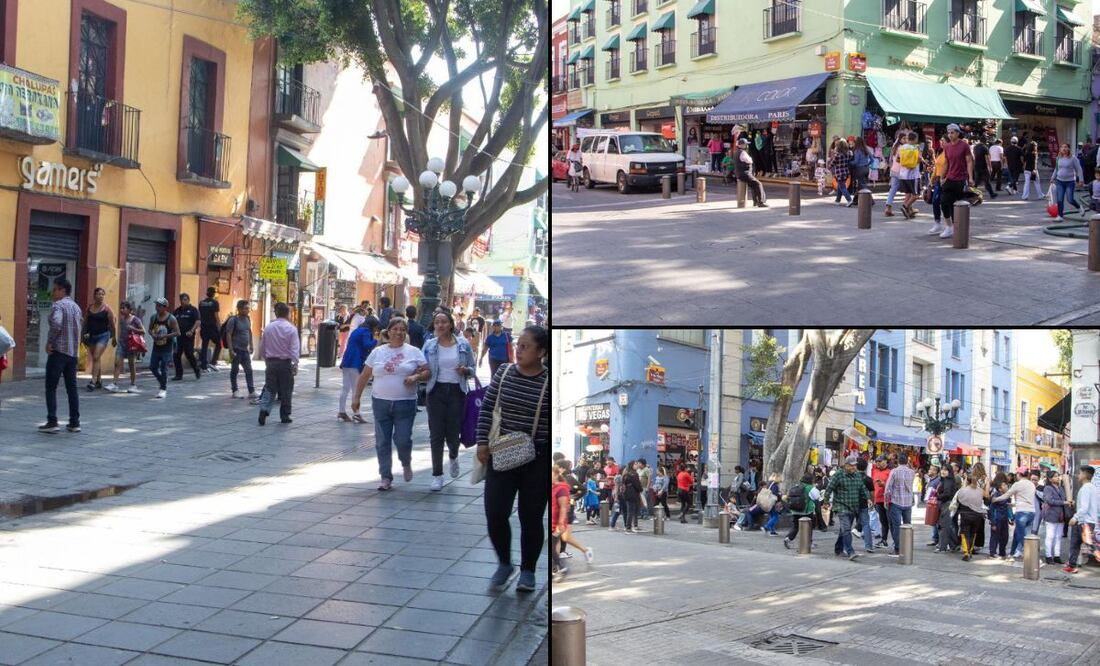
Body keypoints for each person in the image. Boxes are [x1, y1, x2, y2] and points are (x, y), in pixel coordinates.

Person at [474, 325, 549, 592]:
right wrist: (482, 442)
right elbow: (487, 409)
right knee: (495, 512)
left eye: (525, 347)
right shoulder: (504, 373)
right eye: (518, 345)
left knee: (531, 517)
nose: (518, 351)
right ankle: (504, 563)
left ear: (541, 352)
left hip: (536, 460)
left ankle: (528, 570)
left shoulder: (548, 382)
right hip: (502, 454)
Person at [353, 317, 430, 490]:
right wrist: (356, 398)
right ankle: (385, 476)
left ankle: (405, 462)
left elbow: (427, 371)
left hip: (405, 403)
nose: (399, 332)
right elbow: (365, 375)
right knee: (382, 441)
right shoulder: (378, 352)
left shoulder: (414, 351)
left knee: (403, 439)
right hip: (381, 401)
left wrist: (416, 377)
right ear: (388, 331)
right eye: (395, 329)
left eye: (402, 329)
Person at [422, 310, 476, 490]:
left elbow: (473, 369)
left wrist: (465, 370)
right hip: (435, 391)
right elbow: (421, 367)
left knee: (453, 433)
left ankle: (453, 455)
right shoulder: (429, 345)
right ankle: (437, 475)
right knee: (436, 434)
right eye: (437, 322)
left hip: (456, 392)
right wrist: (418, 375)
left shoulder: (463, 344)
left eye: (444, 322)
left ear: (451, 324)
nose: (440, 325)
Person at [39, 277, 83, 433]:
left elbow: (57, 323)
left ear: (62, 290)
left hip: (58, 352)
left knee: (51, 386)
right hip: (72, 353)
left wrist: (50, 341)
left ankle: (52, 421)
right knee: (72, 388)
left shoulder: (58, 306)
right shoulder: (76, 307)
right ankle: (74, 422)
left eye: (55, 289)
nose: (52, 293)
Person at [257, 303, 299, 425]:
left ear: (276, 313)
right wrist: (295, 364)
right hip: (285, 363)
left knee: (270, 388)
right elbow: (294, 349)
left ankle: (264, 409)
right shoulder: (291, 329)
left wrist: (266, 360)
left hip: (271, 362)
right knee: (287, 389)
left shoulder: (269, 327)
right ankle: (285, 415)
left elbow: (262, 346)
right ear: (288, 314)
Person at [822, 454, 870, 561]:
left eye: (855, 466)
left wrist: (868, 498)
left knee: (843, 530)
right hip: (841, 506)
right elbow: (829, 489)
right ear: (846, 465)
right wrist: (826, 502)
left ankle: (838, 549)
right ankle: (850, 552)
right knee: (847, 529)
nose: (854, 467)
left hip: (853, 507)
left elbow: (862, 488)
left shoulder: (857, 475)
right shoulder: (838, 475)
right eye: (851, 466)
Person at [552, 464, 593, 577]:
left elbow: (582, 490)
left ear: (563, 468)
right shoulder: (555, 482)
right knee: (560, 538)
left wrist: (572, 498)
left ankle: (584, 551)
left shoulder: (568, 478)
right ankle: (557, 564)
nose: (556, 471)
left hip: (565, 513)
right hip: (556, 514)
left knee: (564, 537)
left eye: (558, 468)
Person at [937, 124, 975, 239]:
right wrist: (942, 177)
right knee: (943, 202)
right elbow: (946, 163)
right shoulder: (947, 147)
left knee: (957, 205)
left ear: (958, 133)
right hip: (949, 178)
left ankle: (957, 228)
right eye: (948, 132)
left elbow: (969, 161)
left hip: (961, 179)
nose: (950, 134)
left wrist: (971, 177)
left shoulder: (964, 146)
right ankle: (949, 227)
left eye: (952, 132)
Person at [337, 316, 378, 423]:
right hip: (356, 361)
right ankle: (356, 414)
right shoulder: (366, 332)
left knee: (345, 388)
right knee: (356, 388)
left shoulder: (357, 330)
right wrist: (376, 340)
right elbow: (367, 345)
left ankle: (341, 412)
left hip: (347, 360)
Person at [991, 471, 1037, 561]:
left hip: (1022, 513)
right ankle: (1013, 553)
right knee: (1020, 533)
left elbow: (1007, 494)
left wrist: (996, 499)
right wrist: (1013, 505)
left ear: (1019, 475)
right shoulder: (1032, 484)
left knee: (1021, 535)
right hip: (1031, 512)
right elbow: (1026, 499)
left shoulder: (1017, 484)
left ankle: (1032, 555)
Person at [106, 301, 145, 394]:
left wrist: (133, 328)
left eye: (124, 308)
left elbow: (143, 331)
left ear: (129, 310)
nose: (121, 310)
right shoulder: (122, 319)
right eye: (121, 308)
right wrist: (115, 339)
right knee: (117, 363)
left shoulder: (135, 319)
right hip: (121, 344)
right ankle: (114, 384)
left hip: (131, 344)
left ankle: (133, 384)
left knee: (131, 365)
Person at [1064, 465, 1097, 574]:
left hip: (1085, 522)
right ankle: (1071, 565)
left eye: (1080, 473)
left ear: (1085, 475)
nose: (1078, 475)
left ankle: (1072, 565)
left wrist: (1075, 517)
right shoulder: (1091, 488)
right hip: (1084, 521)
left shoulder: (1086, 488)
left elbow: (1084, 507)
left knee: (1090, 545)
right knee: (1075, 543)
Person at [81, 287, 115, 391]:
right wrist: (82, 335)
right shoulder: (89, 308)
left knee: (96, 356)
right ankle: (99, 380)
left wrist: (114, 337)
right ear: (94, 296)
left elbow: (112, 324)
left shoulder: (107, 309)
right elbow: (85, 322)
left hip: (103, 335)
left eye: (102, 294)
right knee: (97, 358)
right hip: (92, 336)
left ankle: (93, 381)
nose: (100, 296)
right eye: (98, 294)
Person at [883, 453, 915, 557]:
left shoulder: (894, 471)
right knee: (907, 525)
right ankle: (907, 548)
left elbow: (887, 489)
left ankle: (898, 549)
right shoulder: (912, 472)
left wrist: (886, 501)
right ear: (907, 461)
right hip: (908, 502)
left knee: (896, 527)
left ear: (898, 461)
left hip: (896, 502)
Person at [147, 298, 180, 399]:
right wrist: (153, 335)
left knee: (164, 368)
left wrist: (165, 336)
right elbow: (149, 329)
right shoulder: (153, 317)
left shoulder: (171, 319)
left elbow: (178, 332)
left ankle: (163, 389)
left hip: (167, 347)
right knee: (152, 367)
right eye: (156, 305)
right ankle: (162, 381)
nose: (157, 308)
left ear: (165, 307)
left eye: (160, 306)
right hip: (156, 347)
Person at [225, 300, 257, 401]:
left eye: (248, 308)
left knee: (249, 369)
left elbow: (249, 331)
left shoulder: (247, 318)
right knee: (235, 370)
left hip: (245, 349)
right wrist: (230, 349)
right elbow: (228, 334)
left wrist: (251, 344)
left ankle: (251, 391)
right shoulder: (233, 320)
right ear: (239, 309)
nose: (248, 310)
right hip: (236, 349)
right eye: (245, 308)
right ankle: (235, 390)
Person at [783, 473, 821, 549]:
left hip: (795, 511)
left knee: (795, 527)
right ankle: (809, 543)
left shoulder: (796, 486)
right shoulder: (810, 488)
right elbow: (817, 497)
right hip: (806, 511)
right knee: (809, 527)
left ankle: (788, 538)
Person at [956, 475, 988, 562]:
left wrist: (963, 485)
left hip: (965, 514)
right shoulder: (980, 491)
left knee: (964, 533)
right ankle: (970, 551)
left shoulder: (963, 491)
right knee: (973, 533)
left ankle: (966, 552)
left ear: (967, 481)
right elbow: (986, 497)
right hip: (977, 515)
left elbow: (958, 499)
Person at [172, 293, 202, 381]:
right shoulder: (177, 311)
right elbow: (172, 321)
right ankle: (178, 375)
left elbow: (198, 322)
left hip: (188, 336)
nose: (183, 301)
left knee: (189, 354)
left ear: (188, 300)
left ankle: (196, 369)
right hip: (178, 336)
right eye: (181, 300)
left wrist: (192, 331)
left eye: (185, 299)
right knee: (176, 355)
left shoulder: (193, 310)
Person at [1051, 143, 1084, 221]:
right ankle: (1060, 216)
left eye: (1065, 147)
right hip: (1059, 181)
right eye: (1062, 147)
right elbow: (1056, 169)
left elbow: (1079, 169)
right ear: (1060, 149)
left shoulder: (1073, 158)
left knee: (1070, 199)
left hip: (1070, 181)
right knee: (1059, 199)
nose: (1064, 149)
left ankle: (1079, 207)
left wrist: (1081, 180)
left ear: (1068, 149)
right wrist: (1052, 177)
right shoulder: (1058, 158)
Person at [1041, 471, 1068, 564]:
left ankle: (1057, 555)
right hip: (1051, 515)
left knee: (1058, 536)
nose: (1058, 478)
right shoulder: (1048, 488)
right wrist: (1063, 502)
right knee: (1050, 536)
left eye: (1058, 476)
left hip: (1061, 515)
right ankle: (1048, 556)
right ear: (1050, 479)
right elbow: (1049, 501)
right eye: (1055, 476)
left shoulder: (1061, 488)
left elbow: (1064, 499)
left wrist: (1068, 502)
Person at [733, 138, 767, 207]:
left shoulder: (736, 152)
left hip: (740, 173)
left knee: (753, 185)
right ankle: (761, 202)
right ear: (742, 145)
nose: (747, 146)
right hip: (745, 173)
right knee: (758, 184)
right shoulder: (742, 152)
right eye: (746, 144)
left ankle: (756, 201)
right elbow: (750, 161)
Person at [896, 132, 922, 219]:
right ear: (915, 139)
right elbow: (918, 160)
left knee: (908, 194)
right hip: (913, 175)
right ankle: (905, 206)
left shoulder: (901, 148)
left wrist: (906, 163)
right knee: (916, 195)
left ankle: (909, 211)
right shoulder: (916, 148)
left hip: (903, 174)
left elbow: (897, 159)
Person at [935, 466, 959, 552]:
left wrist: (937, 497)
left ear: (949, 472)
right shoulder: (945, 480)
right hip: (947, 504)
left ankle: (942, 547)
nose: (943, 471)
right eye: (942, 469)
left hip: (947, 504)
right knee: (947, 525)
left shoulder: (948, 481)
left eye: (945, 470)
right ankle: (954, 545)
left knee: (944, 525)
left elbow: (947, 494)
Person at [198, 287, 222, 371]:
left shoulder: (201, 303)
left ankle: (203, 365)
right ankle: (213, 362)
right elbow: (216, 316)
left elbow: (200, 315)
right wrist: (219, 327)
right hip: (212, 327)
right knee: (219, 343)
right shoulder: (215, 303)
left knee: (204, 345)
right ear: (214, 293)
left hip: (204, 327)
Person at [988, 478, 1013, 559]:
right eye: (1004, 485)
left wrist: (1011, 518)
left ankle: (1002, 552)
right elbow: (991, 510)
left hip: (1004, 519)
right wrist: (993, 522)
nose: (1006, 486)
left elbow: (1008, 508)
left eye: (1006, 485)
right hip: (997, 519)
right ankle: (993, 552)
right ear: (1000, 488)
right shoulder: (995, 496)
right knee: (995, 536)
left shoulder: (1007, 496)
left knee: (1005, 536)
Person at [871, 456, 892, 549]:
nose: (878, 463)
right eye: (877, 461)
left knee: (890, 521)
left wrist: (884, 484)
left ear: (886, 461)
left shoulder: (890, 472)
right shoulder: (874, 471)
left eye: (880, 461)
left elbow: (893, 486)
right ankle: (884, 540)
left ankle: (897, 542)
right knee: (883, 521)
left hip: (887, 500)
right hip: (878, 500)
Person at [971, 135, 996, 199]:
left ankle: (972, 194)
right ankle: (992, 194)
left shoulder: (975, 147)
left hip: (976, 166)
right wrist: (990, 167)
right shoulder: (985, 147)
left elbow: (974, 156)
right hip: (983, 167)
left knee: (976, 181)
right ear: (985, 140)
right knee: (987, 181)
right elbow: (987, 159)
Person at [828, 138, 852, 206]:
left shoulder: (837, 155)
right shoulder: (848, 153)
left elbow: (832, 163)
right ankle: (837, 200)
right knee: (839, 186)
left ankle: (849, 200)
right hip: (846, 172)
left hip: (839, 173)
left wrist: (828, 168)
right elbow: (850, 158)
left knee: (843, 188)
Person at [620, 462, 643, 533]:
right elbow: (637, 485)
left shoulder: (625, 474)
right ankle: (629, 526)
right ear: (632, 466)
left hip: (626, 494)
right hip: (633, 494)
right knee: (633, 511)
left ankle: (631, 526)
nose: (636, 465)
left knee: (630, 510)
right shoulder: (634, 474)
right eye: (635, 464)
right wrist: (640, 489)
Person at [849, 136, 873, 200]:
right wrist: (867, 164)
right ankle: (856, 200)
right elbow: (872, 159)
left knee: (862, 185)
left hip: (860, 169)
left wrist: (849, 162)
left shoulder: (857, 150)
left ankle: (870, 200)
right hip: (866, 168)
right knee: (861, 184)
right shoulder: (866, 149)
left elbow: (856, 162)